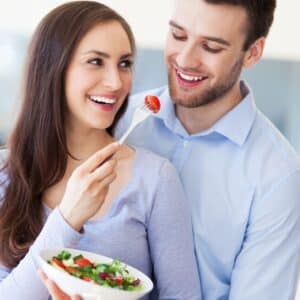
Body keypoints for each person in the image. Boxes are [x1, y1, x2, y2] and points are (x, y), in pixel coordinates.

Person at [41, 0, 300, 299]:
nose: (186, 59)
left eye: (211, 47)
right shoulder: (118, 118)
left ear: (253, 52)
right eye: (178, 36)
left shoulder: (278, 177)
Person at [0, 1, 202, 300]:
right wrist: (68, 218)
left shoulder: (155, 179)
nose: (115, 82)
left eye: (124, 64)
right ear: (53, 68)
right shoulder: (6, 172)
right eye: (96, 61)